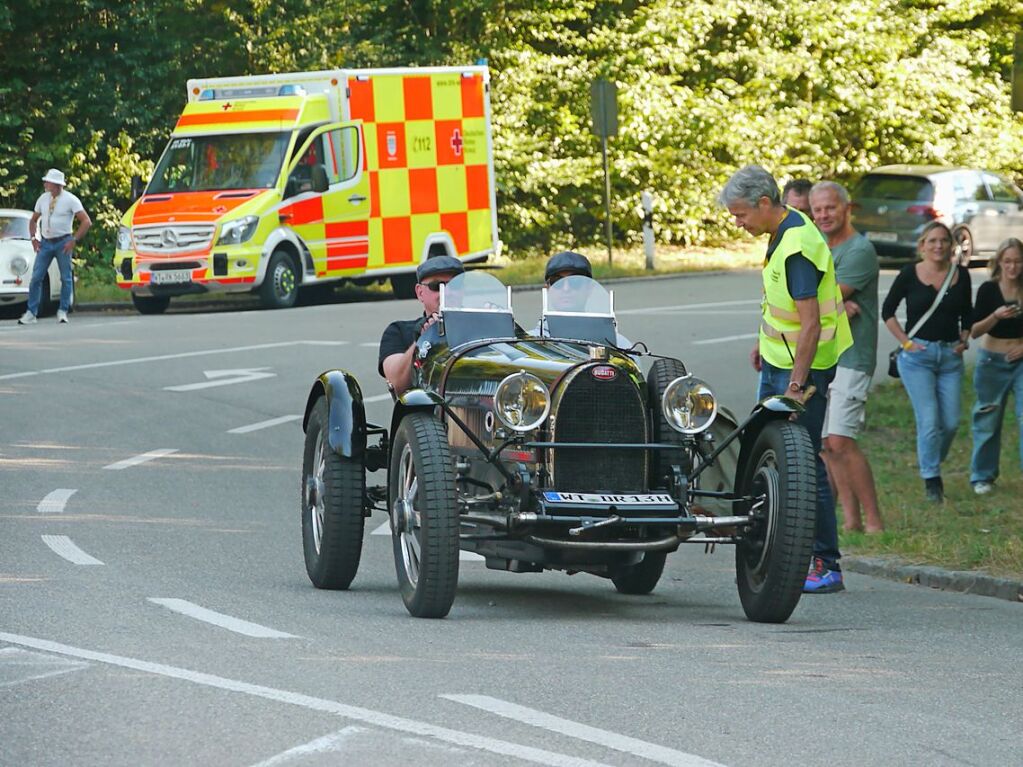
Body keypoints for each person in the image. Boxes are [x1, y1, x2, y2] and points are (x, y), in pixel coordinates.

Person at [718, 165, 852, 594]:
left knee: (802, 465)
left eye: (741, 214)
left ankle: (825, 563)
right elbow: (785, 311)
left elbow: (810, 325)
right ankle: (782, 548)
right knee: (770, 457)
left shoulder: (795, 246)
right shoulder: (785, 230)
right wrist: (765, 343)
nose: (737, 223)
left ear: (763, 203)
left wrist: (795, 387)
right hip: (781, 363)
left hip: (801, 372)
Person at [809, 181, 884, 534]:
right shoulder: (819, 247)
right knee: (827, 444)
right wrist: (835, 304)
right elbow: (807, 297)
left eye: (830, 208)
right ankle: (851, 521)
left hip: (853, 356)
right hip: (826, 355)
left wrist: (832, 301)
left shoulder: (859, 250)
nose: (823, 215)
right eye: (818, 209)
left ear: (846, 208)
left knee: (840, 440)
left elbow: (817, 298)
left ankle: (875, 521)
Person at [882, 221, 972, 502]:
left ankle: (932, 458)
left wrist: (964, 339)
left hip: (949, 356)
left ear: (950, 245)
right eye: (932, 241)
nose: (938, 246)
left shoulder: (962, 275)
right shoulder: (910, 273)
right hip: (917, 358)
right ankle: (932, 480)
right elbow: (888, 311)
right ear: (922, 245)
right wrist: (906, 342)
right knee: (930, 420)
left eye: (943, 240)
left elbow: (967, 313)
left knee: (951, 422)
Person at [967, 238, 1023, 495]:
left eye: (1018, 261)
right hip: (992, 360)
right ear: (999, 262)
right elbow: (974, 331)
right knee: (988, 418)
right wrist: (996, 316)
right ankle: (982, 476)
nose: (1013, 267)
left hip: (1020, 361)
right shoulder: (989, 291)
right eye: (1008, 261)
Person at [379, 255, 465, 394]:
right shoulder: (398, 331)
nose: (447, 292)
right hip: (426, 411)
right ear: (420, 292)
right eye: (437, 286)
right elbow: (397, 383)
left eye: (454, 285)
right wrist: (424, 338)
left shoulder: (479, 327)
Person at [19, 168, 91, 325]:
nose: (46, 184)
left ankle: (63, 310)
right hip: (46, 242)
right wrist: (33, 238)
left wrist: (74, 239)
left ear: (57, 185)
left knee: (65, 277)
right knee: (36, 277)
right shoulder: (43, 199)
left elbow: (86, 221)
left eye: (48, 182)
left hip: (63, 241)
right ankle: (31, 312)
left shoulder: (71, 200)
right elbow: (33, 220)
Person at [531, 250, 631, 346]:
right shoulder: (527, 345)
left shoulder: (619, 346)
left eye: (575, 281)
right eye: (557, 281)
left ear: (589, 288)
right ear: (547, 288)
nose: (566, 288)